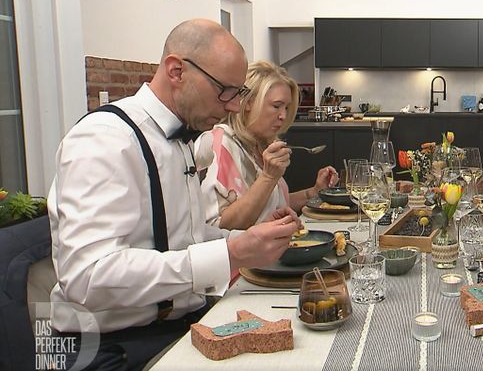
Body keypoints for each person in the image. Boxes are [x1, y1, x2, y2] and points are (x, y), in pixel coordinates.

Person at [48, 19, 304, 370]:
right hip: (111, 349)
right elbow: (88, 277)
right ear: (176, 71)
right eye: (224, 91)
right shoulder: (105, 140)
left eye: (238, 94)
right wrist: (229, 253)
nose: (232, 107)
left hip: (179, 325)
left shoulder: (180, 139)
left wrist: (250, 240)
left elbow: (179, 236)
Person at [194, 60, 338, 230]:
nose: (283, 116)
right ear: (247, 102)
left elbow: (269, 206)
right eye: (276, 106)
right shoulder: (220, 144)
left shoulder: (260, 145)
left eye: (286, 108)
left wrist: (313, 193)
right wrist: (268, 177)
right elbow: (218, 227)